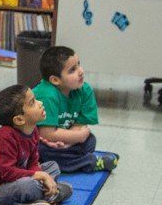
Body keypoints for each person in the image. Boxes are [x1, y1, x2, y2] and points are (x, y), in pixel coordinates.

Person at [0, 85, 72, 205]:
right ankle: (41, 197)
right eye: (33, 102)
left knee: (52, 166)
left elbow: (32, 162)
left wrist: (41, 175)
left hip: (15, 179)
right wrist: (42, 176)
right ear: (19, 119)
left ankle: (38, 197)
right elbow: (8, 174)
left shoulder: (33, 130)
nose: (40, 103)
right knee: (29, 185)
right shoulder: (4, 137)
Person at [33, 45, 118, 174]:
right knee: (41, 149)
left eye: (79, 64)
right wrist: (78, 136)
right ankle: (90, 162)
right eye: (72, 70)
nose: (81, 71)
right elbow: (46, 134)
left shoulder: (84, 90)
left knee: (90, 140)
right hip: (43, 140)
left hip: (62, 140)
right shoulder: (47, 95)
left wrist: (70, 142)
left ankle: (61, 161)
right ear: (55, 80)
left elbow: (80, 124)